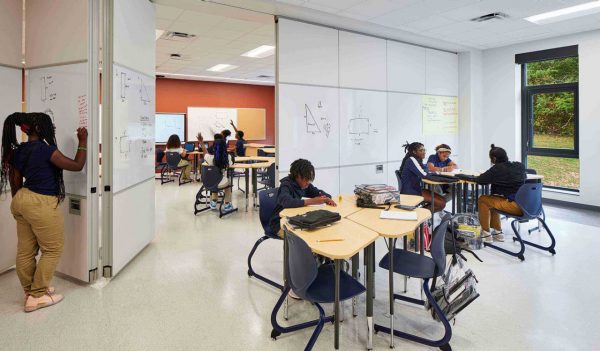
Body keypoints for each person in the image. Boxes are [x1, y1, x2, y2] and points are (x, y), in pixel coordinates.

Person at [0, 112, 87, 312]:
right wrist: (82, 141)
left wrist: (21, 206)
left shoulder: (18, 151)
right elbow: (77, 165)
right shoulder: (47, 150)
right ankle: (37, 296)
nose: (53, 129)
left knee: (25, 251)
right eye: (50, 126)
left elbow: (15, 181)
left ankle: (30, 290)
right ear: (39, 129)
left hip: (21, 199)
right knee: (53, 248)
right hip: (41, 201)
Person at [268, 158, 337, 236]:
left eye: (310, 179)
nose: (308, 182)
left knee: (318, 229)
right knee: (304, 236)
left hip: (293, 219)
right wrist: (313, 201)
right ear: (298, 176)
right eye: (306, 179)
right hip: (279, 223)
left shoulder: (304, 185)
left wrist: (326, 198)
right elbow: (286, 201)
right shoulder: (286, 185)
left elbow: (316, 192)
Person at [476, 144, 526, 243]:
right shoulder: (520, 166)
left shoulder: (497, 168)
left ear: (494, 158)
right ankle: (498, 233)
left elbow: (480, 180)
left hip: (515, 206)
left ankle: (486, 234)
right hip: (527, 205)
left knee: (483, 199)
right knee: (493, 198)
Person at [399, 142, 446, 212]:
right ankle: (419, 215)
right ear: (414, 152)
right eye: (421, 150)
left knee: (442, 200)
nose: (424, 152)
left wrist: (432, 171)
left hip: (416, 189)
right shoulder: (411, 160)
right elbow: (424, 174)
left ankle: (420, 214)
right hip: (411, 192)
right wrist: (440, 175)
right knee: (441, 203)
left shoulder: (417, 160)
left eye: (424, 150)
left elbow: (426, 169)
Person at [197, 133, 235, 212]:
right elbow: (230, 165)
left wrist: (201, 142)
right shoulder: (227, 158)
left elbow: (205, 152)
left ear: (214, 147)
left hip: (207, 182)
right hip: (219, 182)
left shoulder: (210, 158)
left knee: (215, 179)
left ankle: (213, 202)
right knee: (227, 183)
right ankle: (227, 204)